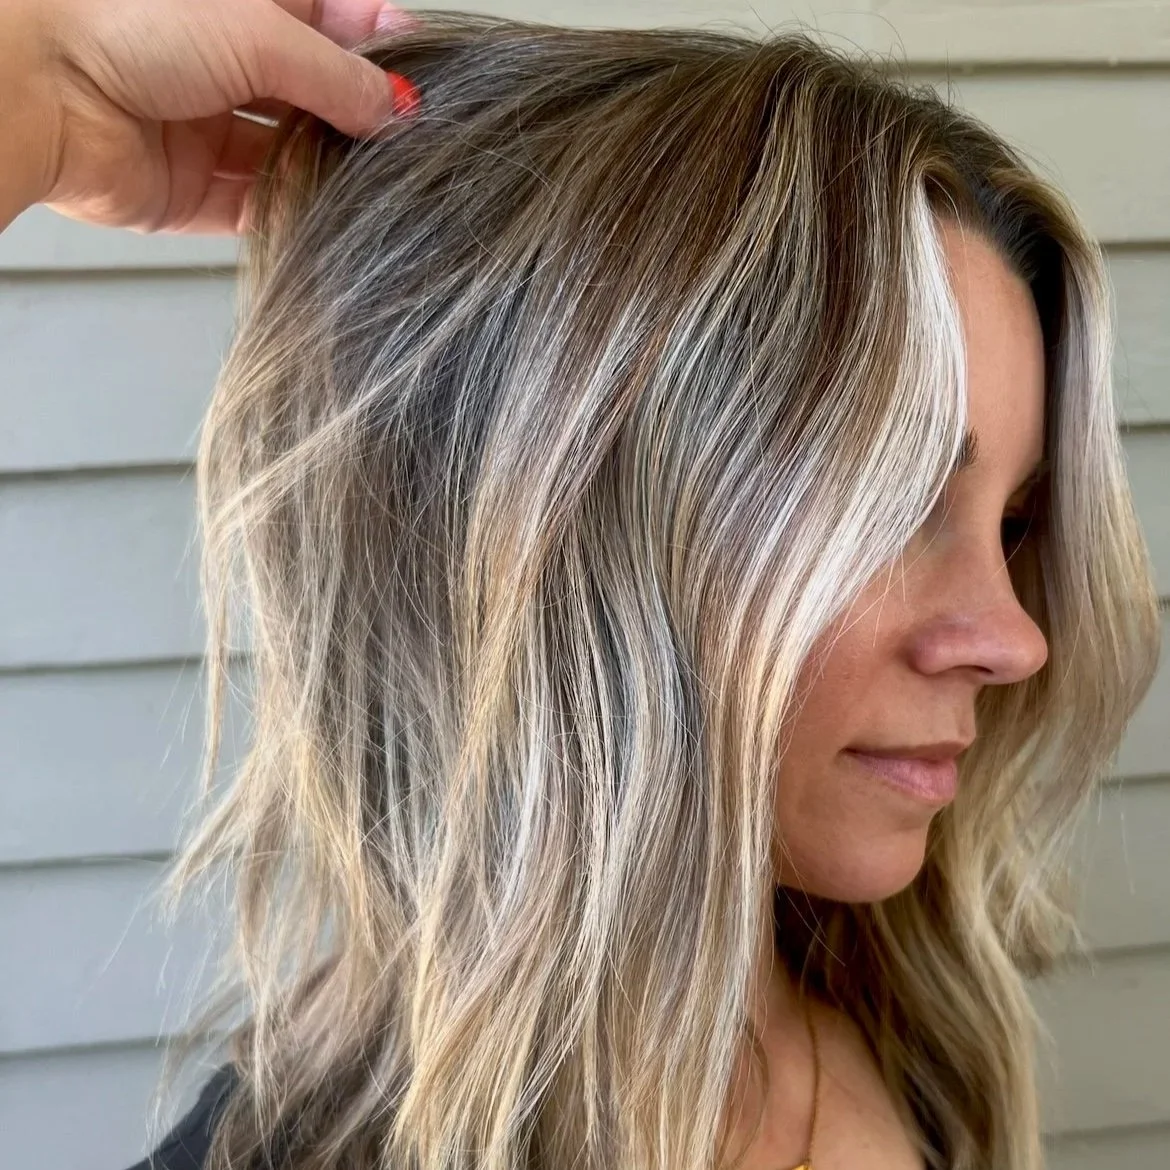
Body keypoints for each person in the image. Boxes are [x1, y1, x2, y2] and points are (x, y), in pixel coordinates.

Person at [1, 4, 1161, 1170]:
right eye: (893, 505)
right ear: (557, 536)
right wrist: (31, 88)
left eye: (1013, 523)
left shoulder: (922, 1040)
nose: (1014, 638)